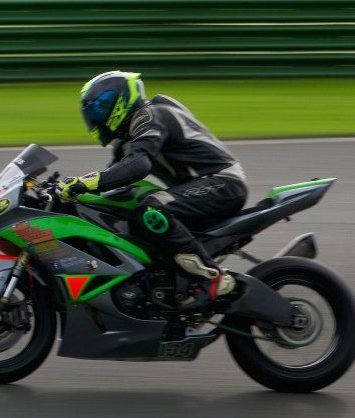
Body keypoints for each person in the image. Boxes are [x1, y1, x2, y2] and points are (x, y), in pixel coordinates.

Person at [64, 71, 248, 298]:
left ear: (120, 101)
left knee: (149, 210)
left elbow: (138, 165)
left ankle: (212, 277)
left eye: (101, 107)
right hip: (199, 188)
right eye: (91, 110)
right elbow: (113, 182)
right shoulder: (126, 141)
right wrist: (71, 190)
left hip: (223, 183)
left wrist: (87, 182)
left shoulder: (149, 115)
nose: (95, 115)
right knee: (123, 210)